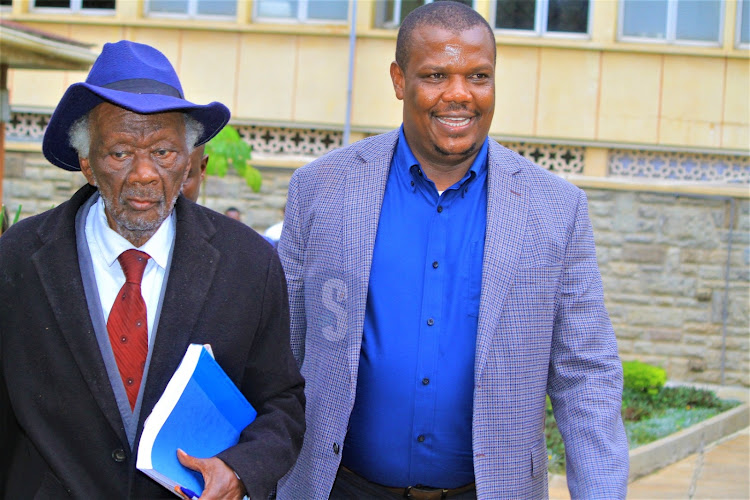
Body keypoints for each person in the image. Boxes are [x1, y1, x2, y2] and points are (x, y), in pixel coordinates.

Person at [276, 2, 628, 499]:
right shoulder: (322, 189)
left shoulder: (556, 208)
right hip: (340, 487)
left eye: (478, 76)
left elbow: (585, 374)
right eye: (436, 75)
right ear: (400, 80)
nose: (459, 94)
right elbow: (279, 351)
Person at [0, 40, 305, 499]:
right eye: (120, 153)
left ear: (188, 161)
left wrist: (241, 471)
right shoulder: (17, 259)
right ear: (87, 163)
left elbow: (282, 403)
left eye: (163, 152)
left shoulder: (249, 262)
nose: (144, 173)